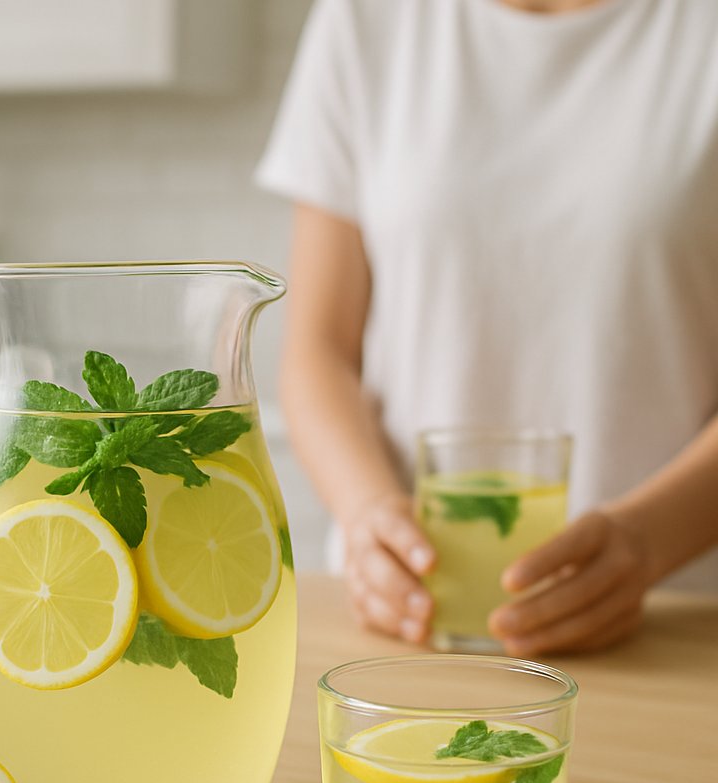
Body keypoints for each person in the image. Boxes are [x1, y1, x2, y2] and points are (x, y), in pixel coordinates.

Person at [257, 0, 718, 655]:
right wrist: (366, 516)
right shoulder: (366, 19)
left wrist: (646, 542)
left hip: (669, 632)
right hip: (406, 631)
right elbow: (318, 352)